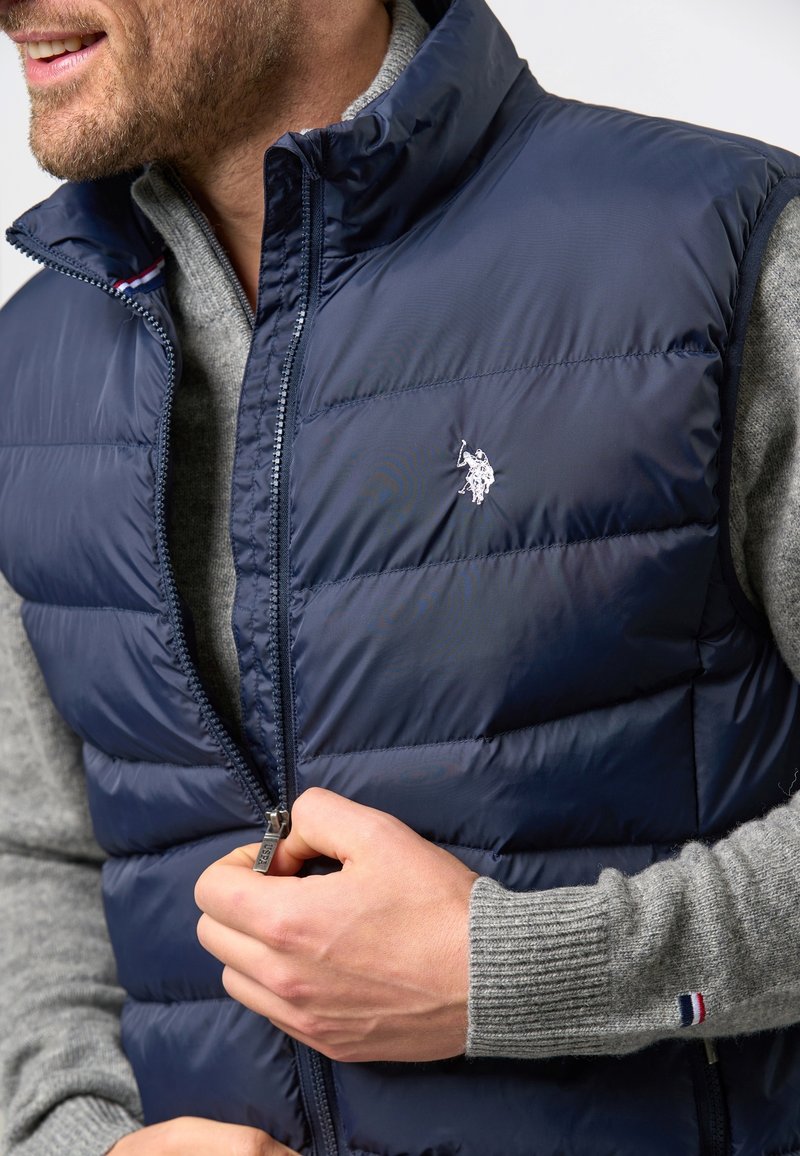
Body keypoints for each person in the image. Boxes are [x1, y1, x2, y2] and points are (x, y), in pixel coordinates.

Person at [0, 0, 799, 1152]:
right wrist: (80, 1139)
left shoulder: (718, 254)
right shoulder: (29, 373)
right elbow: (35, 844)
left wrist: (517, 970)